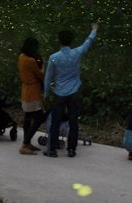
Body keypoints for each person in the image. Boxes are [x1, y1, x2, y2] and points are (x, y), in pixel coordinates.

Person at [42, 22, 98, 157]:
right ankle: (71, 149)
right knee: (73, 121)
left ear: (59, 41)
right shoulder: (77, 53)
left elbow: (48, 77)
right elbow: (87, 43)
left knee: (55, 121)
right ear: (71, 41)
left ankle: (52, 149)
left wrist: (46, 93)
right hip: (74, 91)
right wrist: (94, 30)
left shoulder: (54, 58)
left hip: (59, 92)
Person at [17, 36, 47, 155]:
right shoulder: (31, 60)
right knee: (38, 118)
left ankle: (27, 143)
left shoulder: (21, 57)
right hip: (33, 91)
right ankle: (25, 144)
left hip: (25, 90)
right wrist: (43, 65)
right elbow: (40, 75)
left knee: (28, 117)